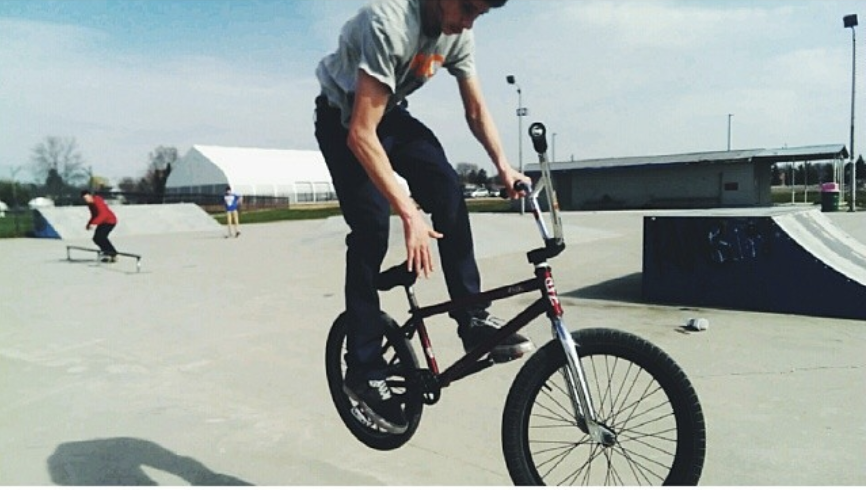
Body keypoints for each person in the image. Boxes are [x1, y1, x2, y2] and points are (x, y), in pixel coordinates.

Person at [315, 0, 533, 434]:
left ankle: (472, 317)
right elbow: (360, 134)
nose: (467, 22)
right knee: (372, 229)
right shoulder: (391, 22)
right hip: (344, 121)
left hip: (390, 114)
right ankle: (364, 367)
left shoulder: (459, 34)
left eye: (479, 15)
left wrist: (503, 165)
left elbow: (476, 111)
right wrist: (409, 212)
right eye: (466, 8)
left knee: (448, 188)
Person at [81, 190, 118, 262]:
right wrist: (89, 224)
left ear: (91, 196)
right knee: (96, 238)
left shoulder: (98, 201)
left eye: (86, 198)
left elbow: (103, 214)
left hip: (110, 221)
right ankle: (107, 251)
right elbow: (94, 215)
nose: (86, 200)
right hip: (102, 222)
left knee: (101, 237)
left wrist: (94, 223)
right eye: (84, 199)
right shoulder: (90, 205)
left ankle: (112, 253)